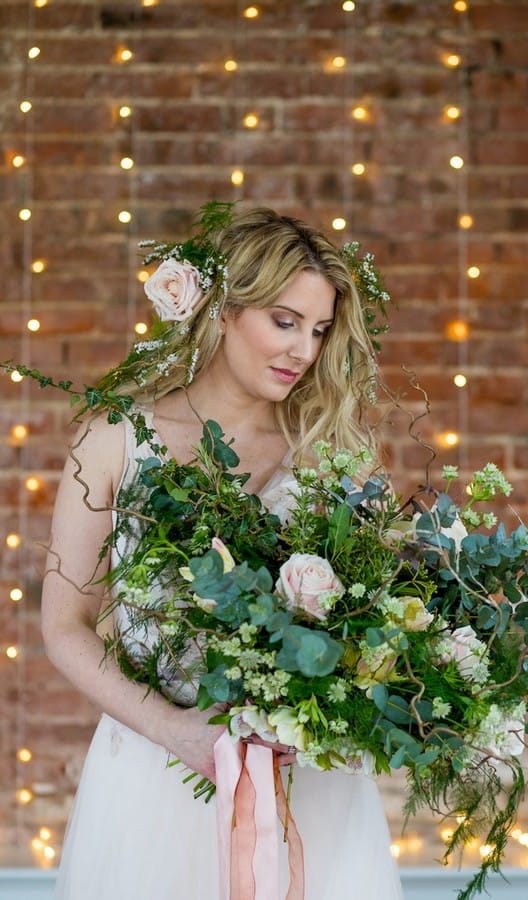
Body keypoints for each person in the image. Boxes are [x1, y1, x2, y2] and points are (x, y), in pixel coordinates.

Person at [42, 206, 404, 899]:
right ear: (223, 310)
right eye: (285, 320)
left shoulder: (334, 459)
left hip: (307, 787)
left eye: (320, 330)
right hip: (155, 776)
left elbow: (373, 625)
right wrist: (173, 730)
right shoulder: (117, 438)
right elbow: (63, 626)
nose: (303, 350)